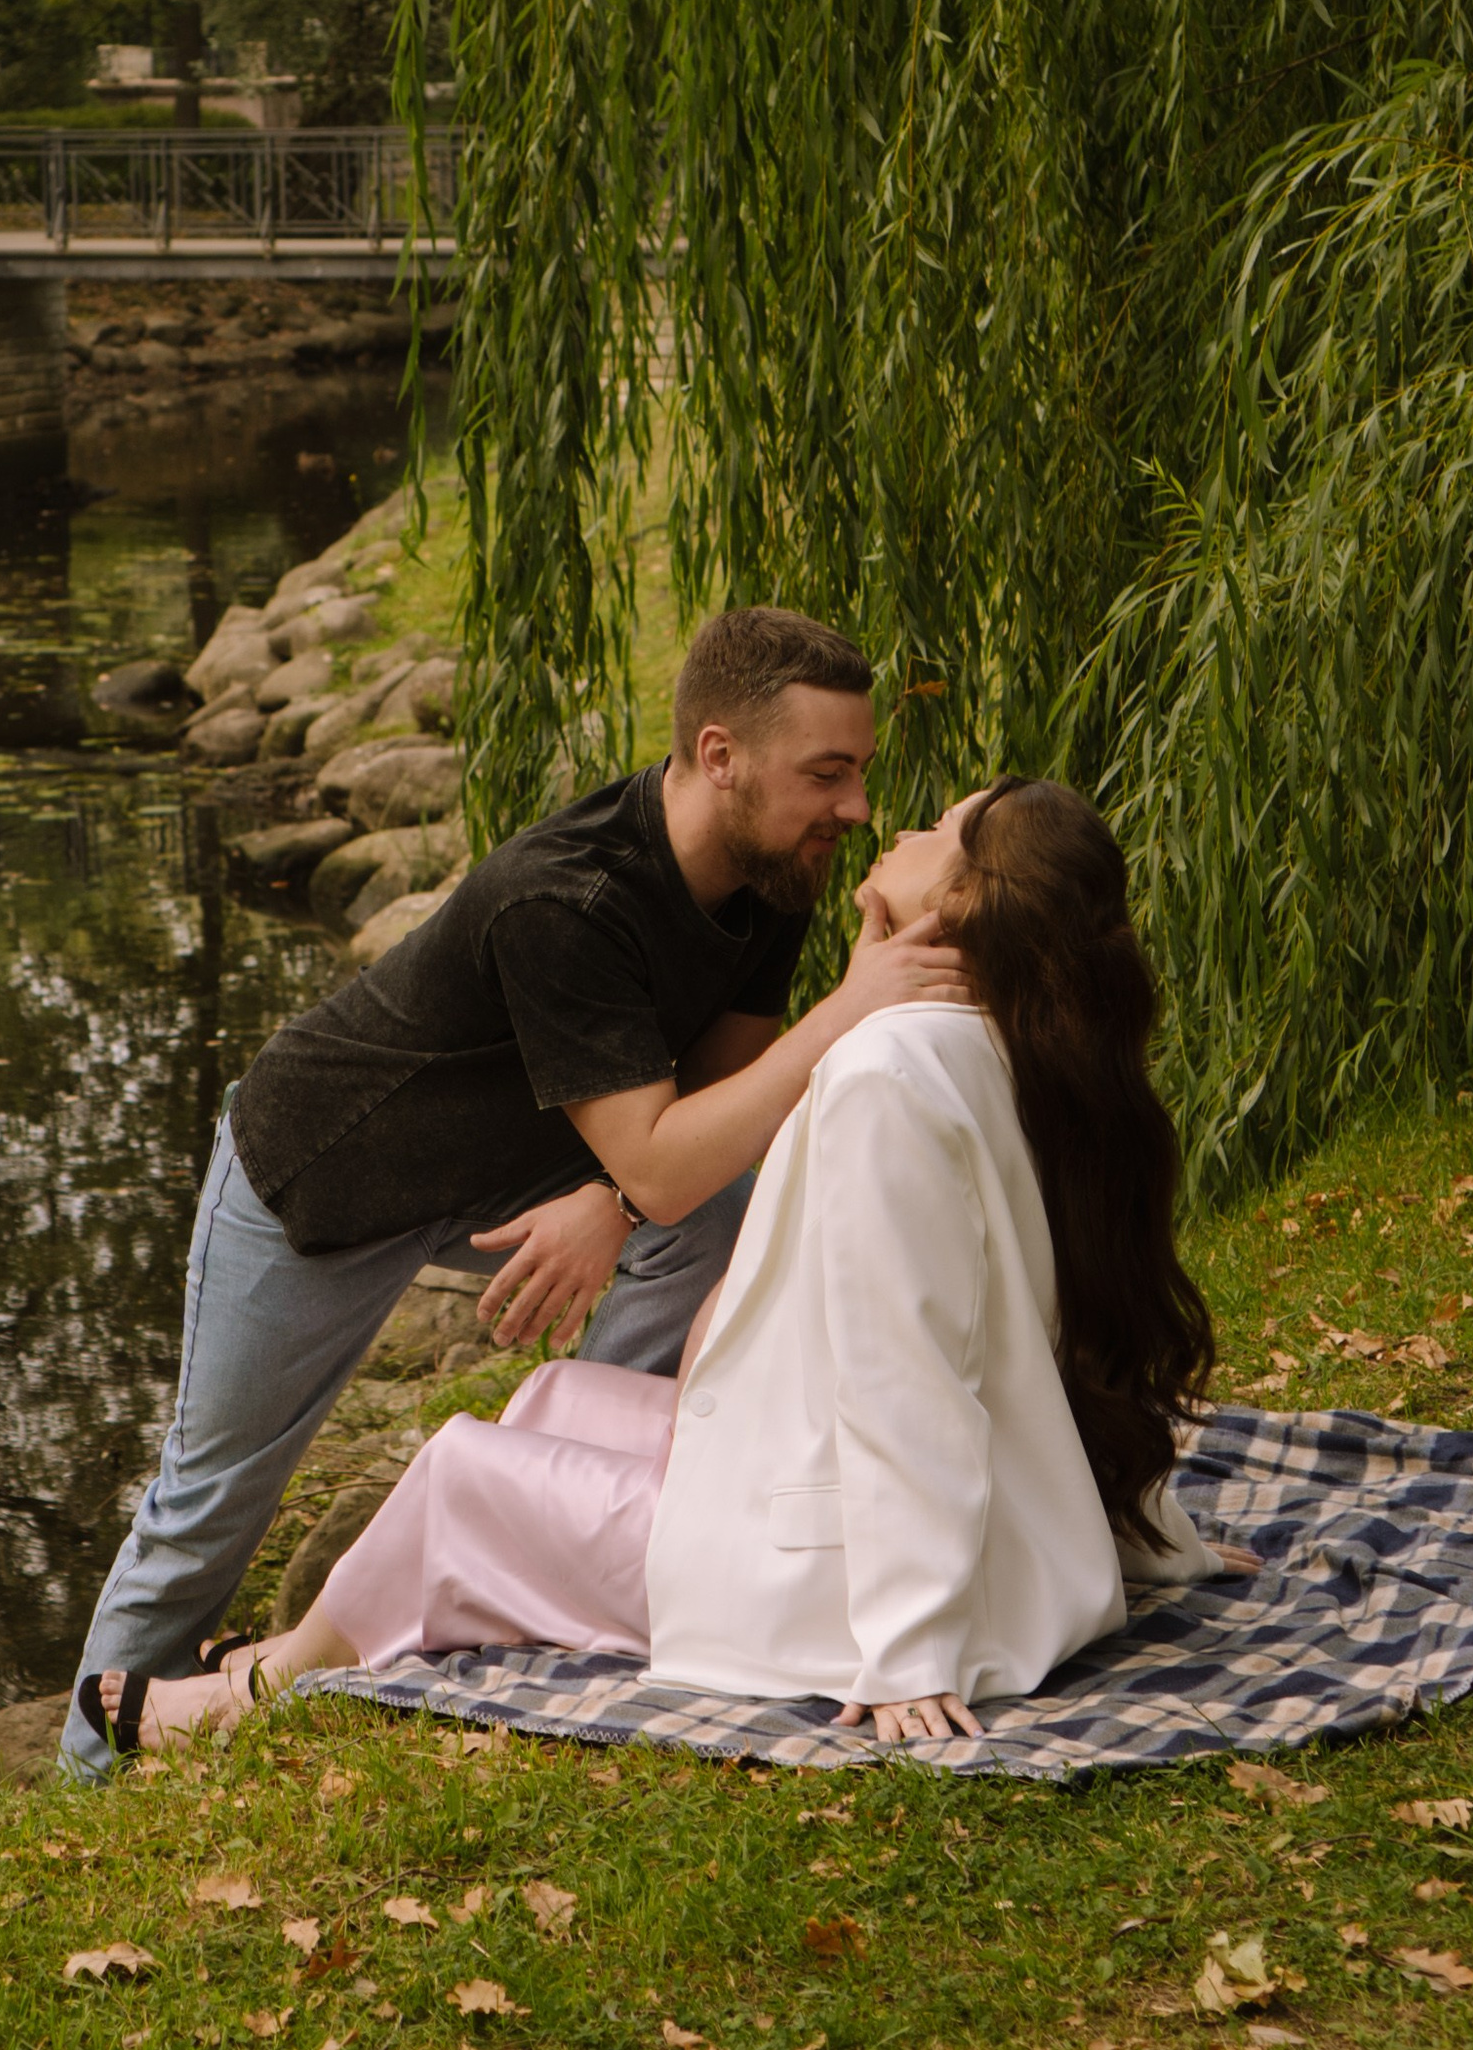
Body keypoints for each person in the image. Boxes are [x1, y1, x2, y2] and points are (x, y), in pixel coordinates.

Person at [99, 776, 1230, 1753]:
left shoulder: (888, 1072)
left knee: (459, 1474)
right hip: (858, 1492)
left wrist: (908, 1650)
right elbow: (1077, 1323)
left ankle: (255, 1691)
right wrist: (1146, 1538)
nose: (889, 825)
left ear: (966, 900)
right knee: (552, 1395)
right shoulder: (1010, 1036)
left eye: (936, 829)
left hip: (834, 1580)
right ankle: (288, 1649)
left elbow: (907, 1374)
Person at [62, 605, 973, 1776]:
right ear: (719, 756)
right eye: (827, 773)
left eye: (858, 772)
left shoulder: (769, 876)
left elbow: (712, 1111)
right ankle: (86, 1776)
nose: (854, 806)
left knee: (714, 1204)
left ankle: (581, 1523)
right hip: (320, 1183)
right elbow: (661, 1156)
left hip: (515, 1172)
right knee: (207, 1508)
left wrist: (619, 1197)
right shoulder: (568, 900)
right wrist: (848, 1010)